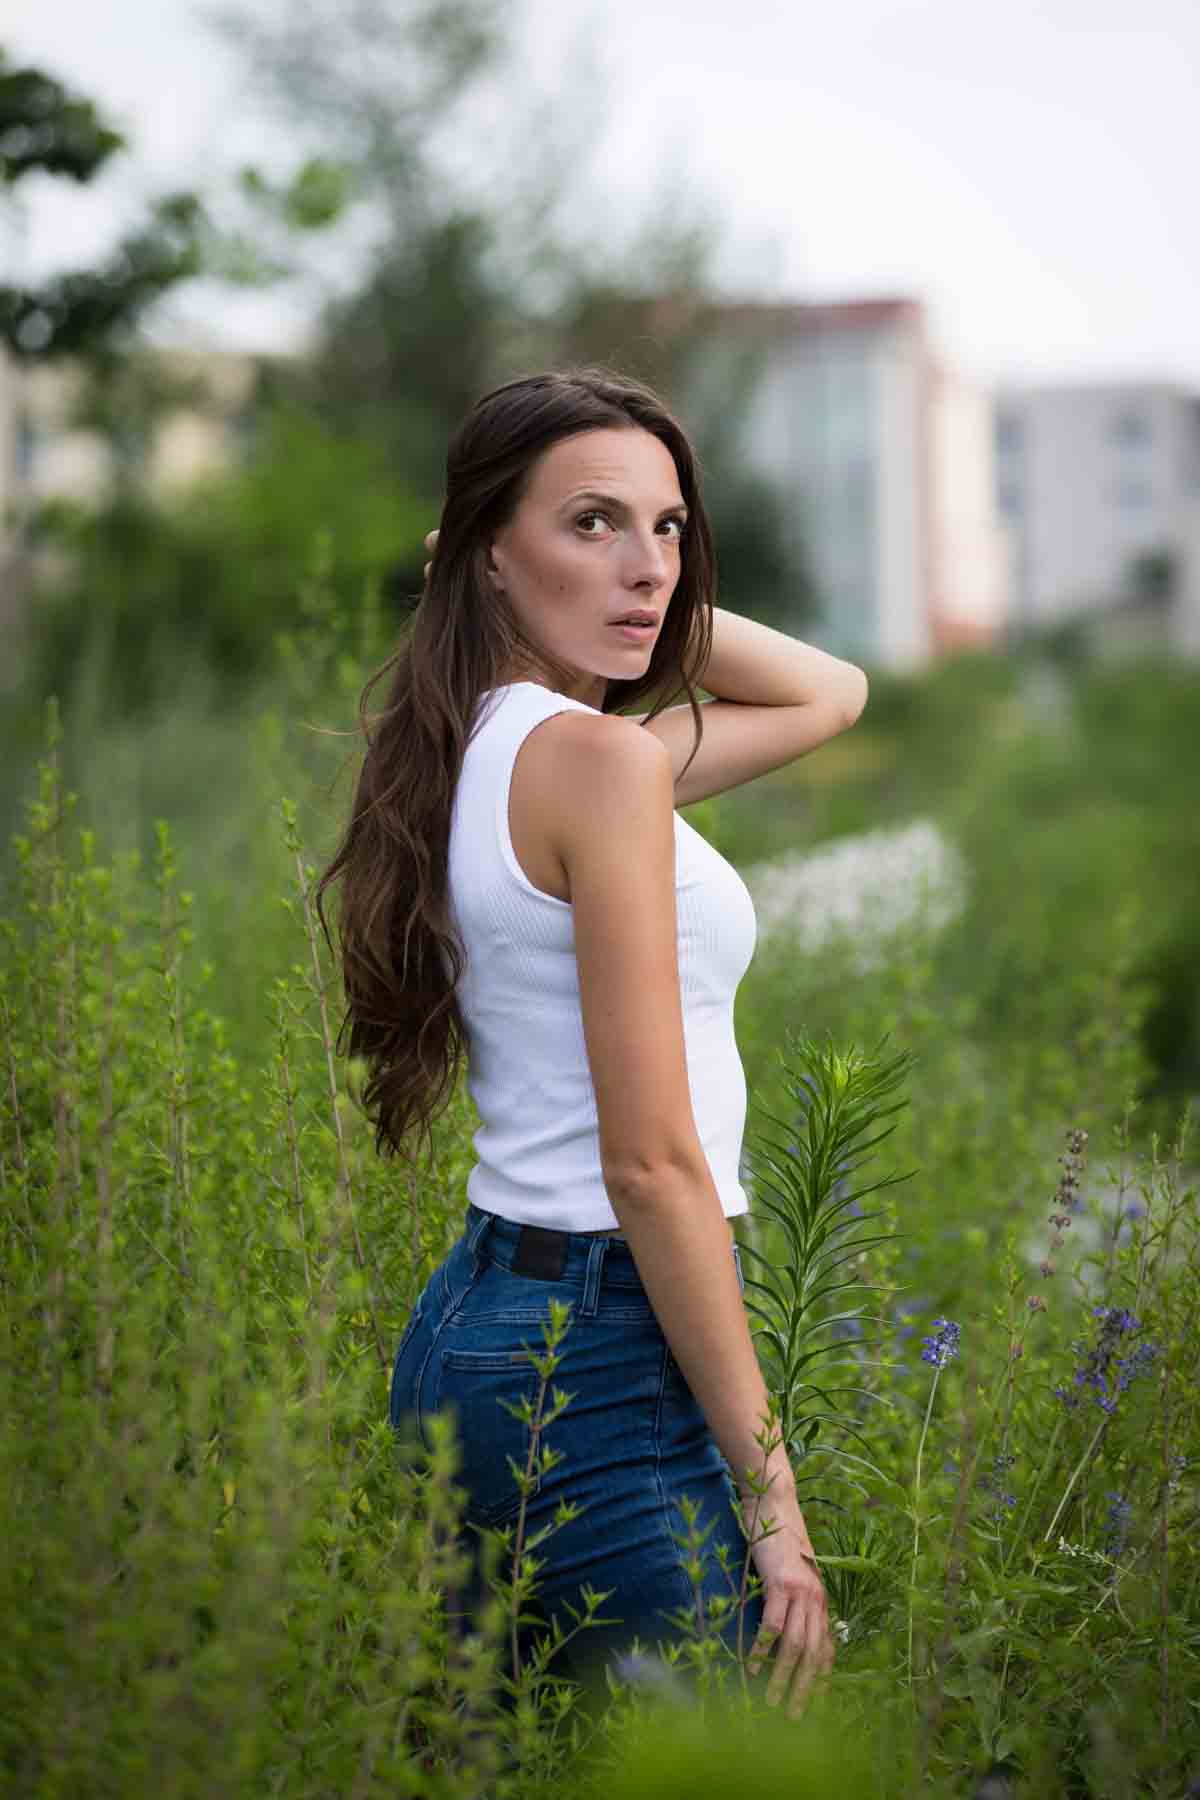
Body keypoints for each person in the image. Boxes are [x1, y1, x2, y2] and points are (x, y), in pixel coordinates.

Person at [314, 365, 867, 1721]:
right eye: (593, 524)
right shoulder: (599, 766)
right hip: (604, 1353)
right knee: (734, 1754)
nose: (650, 571)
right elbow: (656, 1167)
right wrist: (771, 1496)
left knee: (513, 1762)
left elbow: (828, 691)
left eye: (670, 529)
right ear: (490, 552)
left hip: (483, 1324)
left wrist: (574, 576)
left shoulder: (490, 747)